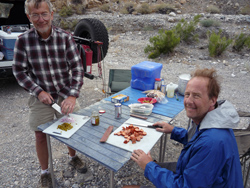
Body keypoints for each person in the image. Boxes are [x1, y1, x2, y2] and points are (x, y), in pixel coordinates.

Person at [123, 68, 243, 188]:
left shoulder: (212, 142)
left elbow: (185, 186)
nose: (189, 101)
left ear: (212, 100)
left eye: (196, 96)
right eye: (187, 94)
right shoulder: (213, 120)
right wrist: (173, 130)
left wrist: (148, 166)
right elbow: (196, 140)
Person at [12, 0, 86, 187]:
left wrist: (72, 95)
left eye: (44, 14)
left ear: (52, 15)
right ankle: (45, 172)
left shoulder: (66, 37)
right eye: (35, 15)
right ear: (29, 17)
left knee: (73, 127)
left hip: (64, 91)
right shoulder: (23, 41)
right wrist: (38, 91)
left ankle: (73, 156)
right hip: (41, 95)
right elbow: (19, 71)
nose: (41, 19)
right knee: (40, 134)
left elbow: (77, 67)